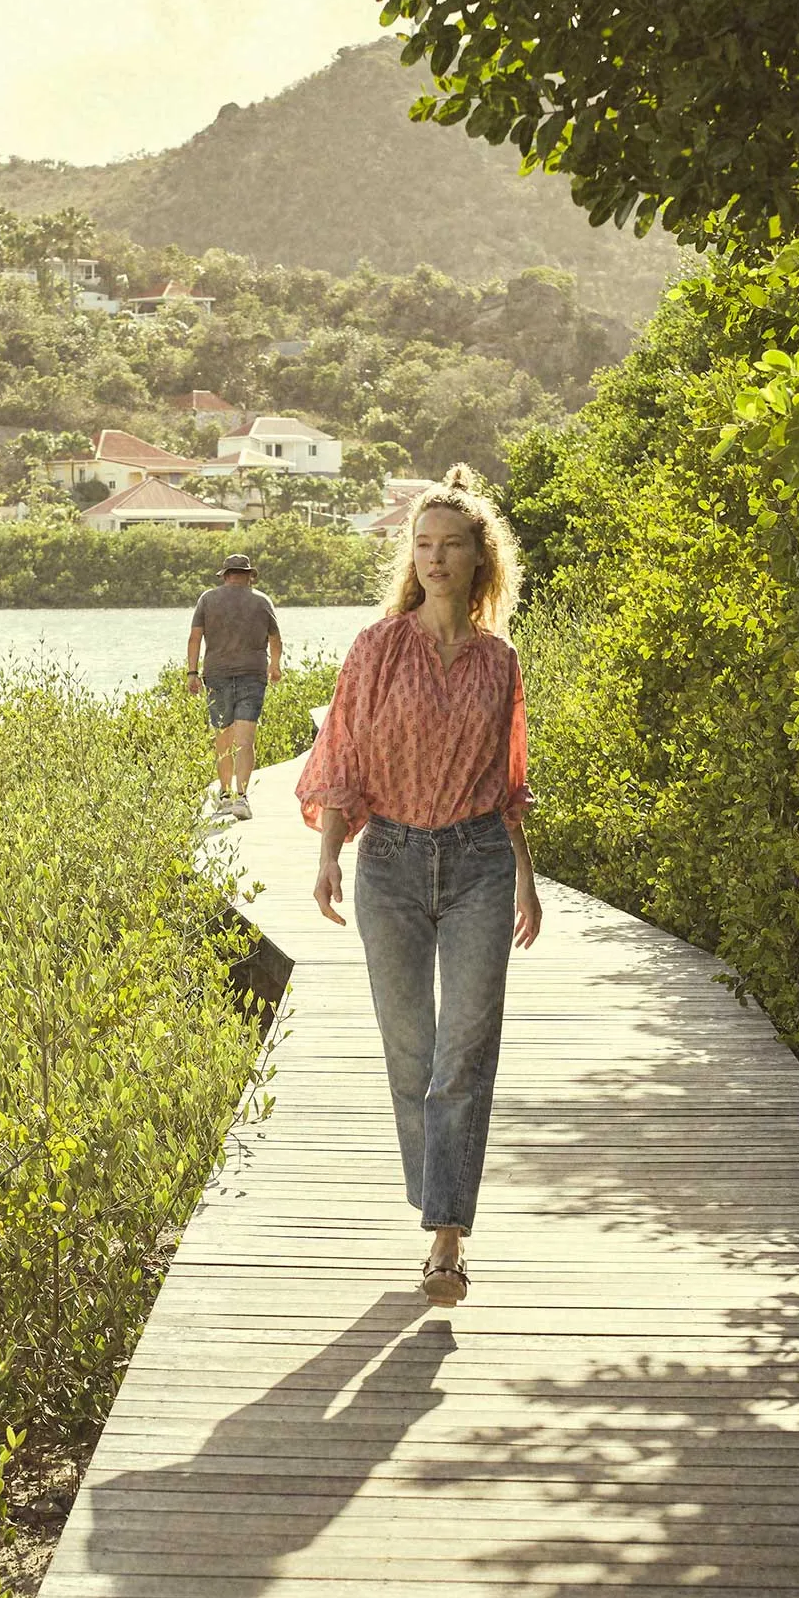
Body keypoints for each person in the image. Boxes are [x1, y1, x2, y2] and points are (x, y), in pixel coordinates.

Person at [297, 465, 540, 1307]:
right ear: (414, 556)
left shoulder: (501, 661)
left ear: (482, 557)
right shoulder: (376, 647)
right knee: (412, 1057)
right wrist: (330, 853)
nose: (435, 558)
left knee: (463, 1055)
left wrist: (528, 880)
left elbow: (508, 781)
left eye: (452, 545)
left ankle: (447, 1241)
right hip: (391, 863)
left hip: (479, 863)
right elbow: (346, 758)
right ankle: (438, 1201)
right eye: (423, 545)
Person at [186, 552, 282, 820]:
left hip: (216, 675)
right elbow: (275, 638)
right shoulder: (262, 601)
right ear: (249, 576)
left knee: (223, 737)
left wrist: (192, 672)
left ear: (226, 575)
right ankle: (242, 797)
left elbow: (195, 638)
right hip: (253, 674)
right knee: (245, 738)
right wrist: (275, 665)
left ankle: (226, 795)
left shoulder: (208, 599)